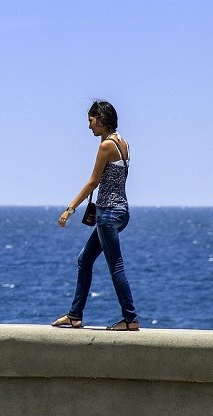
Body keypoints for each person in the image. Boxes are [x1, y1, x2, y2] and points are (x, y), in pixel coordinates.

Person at [52, 100, 140, 331]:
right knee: (85, 260)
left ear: (101, 120)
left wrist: (69, 209)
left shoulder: (105, 147)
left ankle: (130, 319)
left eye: (91, 121)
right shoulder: (123, 143)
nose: (89, 127)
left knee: (116, 266)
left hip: (108, 214)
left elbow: (93, 181)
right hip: (121, 211)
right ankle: (75, 315)